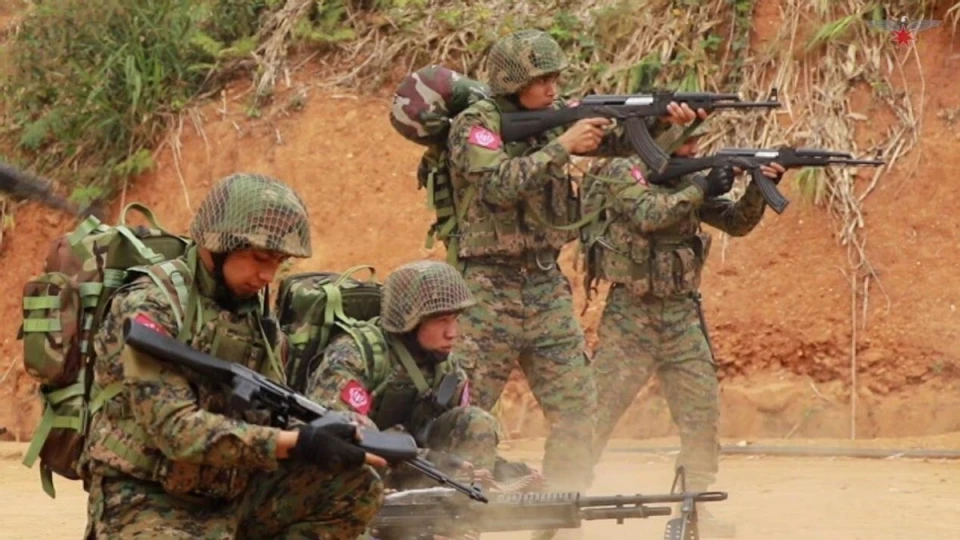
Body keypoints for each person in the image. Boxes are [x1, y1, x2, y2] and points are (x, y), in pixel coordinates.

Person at [443, 28, 705, 540]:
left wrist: (665, 123)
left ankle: (558, 521)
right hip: (488, 287)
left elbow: (623, 143)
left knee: (578, 412)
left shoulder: (557, 116)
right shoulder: (476, 124)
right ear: (512, 82)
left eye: (555, 78)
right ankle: (457, 520)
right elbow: (495, 185)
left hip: (544, 284)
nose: (552, 88)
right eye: (541, 79)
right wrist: (563, 146)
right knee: (467, 417)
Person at [79, 173, 385, 539]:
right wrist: (295, 443)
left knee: (355, 486)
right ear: (217, 245)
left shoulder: (255, 313)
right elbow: (176, 431)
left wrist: (332, 428)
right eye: (259, 257)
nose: (267, 275)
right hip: (147, 498)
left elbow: (270, 413)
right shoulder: (153, 304)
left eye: (278, 261)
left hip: (232, 496)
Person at [586, 125, 786, 537]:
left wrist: (759, 186)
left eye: (698, 141)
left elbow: (736, 223)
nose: (695, 148)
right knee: (596, 413)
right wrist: (702, 187)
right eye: (687, 140)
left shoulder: (687, 180)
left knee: (701, 414)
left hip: (681, 316)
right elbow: (649, 215)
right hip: (631, 317)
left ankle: (696, 506)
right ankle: (564, 494)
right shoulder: (625, 171)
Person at [305, 260, 542, 493]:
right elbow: (334, 435)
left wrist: (509, 472)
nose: (452, 333)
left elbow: (462, 439)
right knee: (357, 428)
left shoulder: (446, 368)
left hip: (417, 472)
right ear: (409, 321)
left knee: (475, 421)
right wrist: (433, 462)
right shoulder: (357, 354)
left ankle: (465, 512)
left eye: (455, 319)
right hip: (356, 477)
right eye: (441, 321)